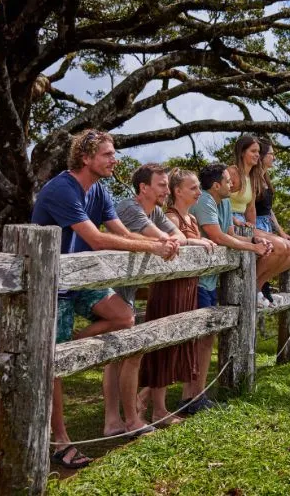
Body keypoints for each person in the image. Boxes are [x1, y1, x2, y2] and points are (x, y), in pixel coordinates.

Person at [31, 129, 179, 469]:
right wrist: (155, 248)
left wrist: (157, 245)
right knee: (54, 367)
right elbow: (97, 239)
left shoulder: (99, 190)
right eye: (107, 154)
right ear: (85, 158)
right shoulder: (62, 189)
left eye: (114, 153)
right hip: (50, 285)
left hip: (81, 280)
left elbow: (122, 233)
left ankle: (68, 346)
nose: (115, 160)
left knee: (124, 317)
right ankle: (60, 441)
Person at [112, 164, 215, 429]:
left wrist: (182, 240)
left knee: (124, 355)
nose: (166, 190)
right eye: (161, 185)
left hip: (127, 290)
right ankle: (126, 418)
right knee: (120, 355)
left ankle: (133, 416)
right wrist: (178, 241)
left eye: (167, 185)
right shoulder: (130, 208)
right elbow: (162, 238)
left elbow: (175, 236)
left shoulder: (155, 211)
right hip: (111, 290)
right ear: (143, 187)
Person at [183, 163, 272, 413]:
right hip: (197, 281)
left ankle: (195, 395)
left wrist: (255, 239)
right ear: (216, 185)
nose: (232, 183)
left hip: (210, 280)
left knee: (206, 338)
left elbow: (231, 233)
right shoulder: (205, 202)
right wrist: (253, 248)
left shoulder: (223, 202)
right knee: (196, 339)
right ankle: (189, 397)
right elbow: (217, 237)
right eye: (227, 180)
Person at [226, 134, 290, 305]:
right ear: (242, 152)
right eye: (253, 151)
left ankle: (257, 287)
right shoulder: (232, 172)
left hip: (245, 224)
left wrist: (255, 230)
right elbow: (218, 200)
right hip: (228, 220)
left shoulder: (252, 177)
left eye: (258, 152)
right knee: (278, 246)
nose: (257, 155)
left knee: (279, 248)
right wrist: (232, 218)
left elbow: (251, 208)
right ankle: (250, 289)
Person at [253, 139, 290, 302]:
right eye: (271, 154)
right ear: (261, 156)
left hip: (266, 225)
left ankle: (259, 285)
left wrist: (281, 232)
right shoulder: (252, 179)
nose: (274, 157)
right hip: (254, 225)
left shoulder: (265, 177)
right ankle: (254, 288)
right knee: (276, 251)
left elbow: (269, 209)